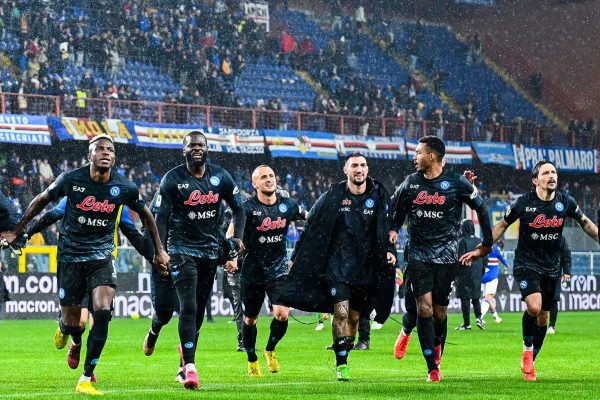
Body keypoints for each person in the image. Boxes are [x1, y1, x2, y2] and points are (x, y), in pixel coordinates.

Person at [0, 134, 169, 396]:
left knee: (102, 312)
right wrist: (22, 232)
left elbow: (138, 228)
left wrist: (157, 254)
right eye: (99, 149)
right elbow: (49, 211)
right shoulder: (72, 181)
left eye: (110, 149)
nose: (105, 152)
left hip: (101, 258)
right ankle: (72, 336)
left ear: (115, 157)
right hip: (70, 257)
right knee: (74, 322)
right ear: (89, 155)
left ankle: (86, 377)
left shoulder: (123, 190)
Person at [461, 160, 598, 382]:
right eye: (546, 173)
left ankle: (532, 360)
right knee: (534, 308)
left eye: (554, 172)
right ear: (535, 180)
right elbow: (502, 226)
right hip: (526, 264)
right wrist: (482, 250)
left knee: (543, 319)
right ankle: (526, 348)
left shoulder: (566, 202)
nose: (552, 176)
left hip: (552, 269)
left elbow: (585, 223)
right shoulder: (524, 203)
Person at [390, 136, 493, 382]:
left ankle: (435, 350)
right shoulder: (411, 183)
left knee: (439, 313)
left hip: (447, 257)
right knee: (423, 309)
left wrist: (487, 244)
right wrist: (393, 229)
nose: (414, 157)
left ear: (432, 156)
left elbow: (482, 208)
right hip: (417, 255)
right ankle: (432, 368)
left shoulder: (457, 183)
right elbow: (396, 208)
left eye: (418, 152)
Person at [288, 153, 397, 381]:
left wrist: (391, 251)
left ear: (368, 169)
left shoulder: (379, 195)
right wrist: (295, 257)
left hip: (366, 267)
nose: (359, 169)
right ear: (346, 170)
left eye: (363, 165)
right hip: (337, 266)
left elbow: (388, 229)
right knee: (341, 312)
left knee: (355, 318)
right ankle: (341, 363)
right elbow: (311, 225)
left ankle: (345, 348)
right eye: (355, 165)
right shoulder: (333, 195)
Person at [154, 130, 245, 390]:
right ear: (184, 150)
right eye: (192, 145)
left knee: (199, 310)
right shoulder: (172, 179)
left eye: (201, 145)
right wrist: (160, 250)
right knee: (189, 306)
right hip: (181, 249)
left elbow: (239, 208)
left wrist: (237, 238)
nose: (197, 148)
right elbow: (161, 218)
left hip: (210, 251)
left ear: (207, 149)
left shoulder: (221, 177)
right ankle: (191, 367)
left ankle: (183, 364)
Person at [26, 196, 153, 378]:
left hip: (103, 265)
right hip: (76, 264)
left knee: (99, 320)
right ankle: (74, 339)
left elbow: (133, 234)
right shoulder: (75, 194)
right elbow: (52, 215)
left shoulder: (118, 204)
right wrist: (26, 232)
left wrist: (155, 259)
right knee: (79, 322)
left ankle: (88, 370)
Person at [237, 165, 306, 377]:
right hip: (252, 272)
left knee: (282, 314)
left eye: (271, 176)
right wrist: (232, 255)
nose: (269, 180)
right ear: (254, 183)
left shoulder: (289, 205)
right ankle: (252, 358)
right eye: (263, 177)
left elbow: (311, 221)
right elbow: (233, 232)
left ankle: (270, 349)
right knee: (249, 320)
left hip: (278, 269)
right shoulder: (247, 208)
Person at [455, 219, 486, 331]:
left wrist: (456, 274)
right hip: (477, 273)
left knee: (465, 298)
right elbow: (485, 257)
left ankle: (467, 324)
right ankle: (479, 318)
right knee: (476, 297)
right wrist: (481, 271)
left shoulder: (462, 241)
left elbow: (459, 258)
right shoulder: (479, 240)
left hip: (464, 273)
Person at [480, 239, 509, 324]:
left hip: (483, 276)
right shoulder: (495, 248)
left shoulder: (482, 247)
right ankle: (479, 317)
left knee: (488, 298)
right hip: (492, 276)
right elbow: (503, 259)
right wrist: (507, 265)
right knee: (489, 298)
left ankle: (496, 316)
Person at [547, 236, 571, 335]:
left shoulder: (560, 238)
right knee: (538, 298)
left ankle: (551, 326)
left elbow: (566, 254)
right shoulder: (539, 235)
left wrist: (566, 272)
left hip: (555, 274)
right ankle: (538, 324)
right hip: (538, 272)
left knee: (553, 300)